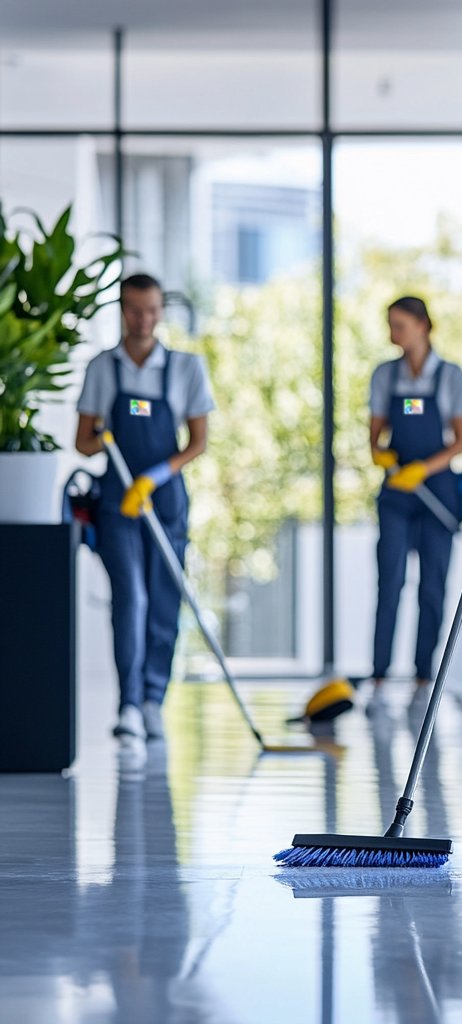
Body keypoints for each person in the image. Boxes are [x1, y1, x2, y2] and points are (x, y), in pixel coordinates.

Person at [75, 274, 214, 765]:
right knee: (129, 599)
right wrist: (104, 435)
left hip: (164, 500)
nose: (143, 319)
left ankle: (154, 700)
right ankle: (128, 704)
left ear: (160, 311)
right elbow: (83, 441)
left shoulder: (185, 368)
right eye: (135, 309)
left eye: (152, 309)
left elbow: (197, 442)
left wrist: (153, 476)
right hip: (117, 503)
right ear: (122, 310)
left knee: (162, 602)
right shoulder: (102, 369)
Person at [369, 296, 462, 709]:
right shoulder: (385, 376)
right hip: (396, 493)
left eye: (400, 325)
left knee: (432, 589)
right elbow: (374, 434)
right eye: (391, 325)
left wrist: (423, 469)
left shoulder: (450, 376)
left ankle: (422, 681)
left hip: (437, 493)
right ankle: (378, 681)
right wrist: (381, 454)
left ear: (423, 326)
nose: (393, 334)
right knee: (389, 584)